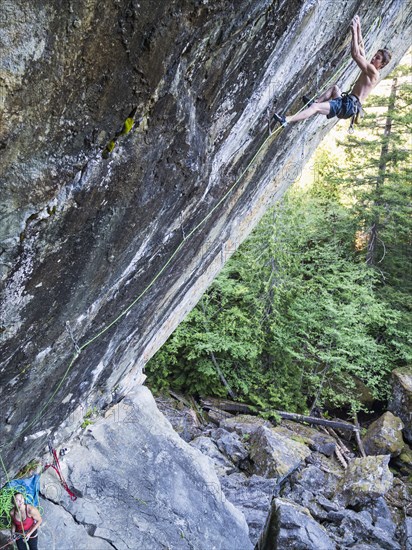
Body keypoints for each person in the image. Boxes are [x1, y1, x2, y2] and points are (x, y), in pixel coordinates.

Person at [273, 15, 391, 128]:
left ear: (382, 64)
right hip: (348, 104)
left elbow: (355, 54)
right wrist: (359, 27)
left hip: (348, 106)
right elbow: (361, 48)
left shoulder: (373, 73)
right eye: (375, 55)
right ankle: (316, 101)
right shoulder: (370, 68)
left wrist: (354, 32)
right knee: (334, 89)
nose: (373, 58)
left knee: (315, 108)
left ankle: (286, 120)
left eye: (378, 58)